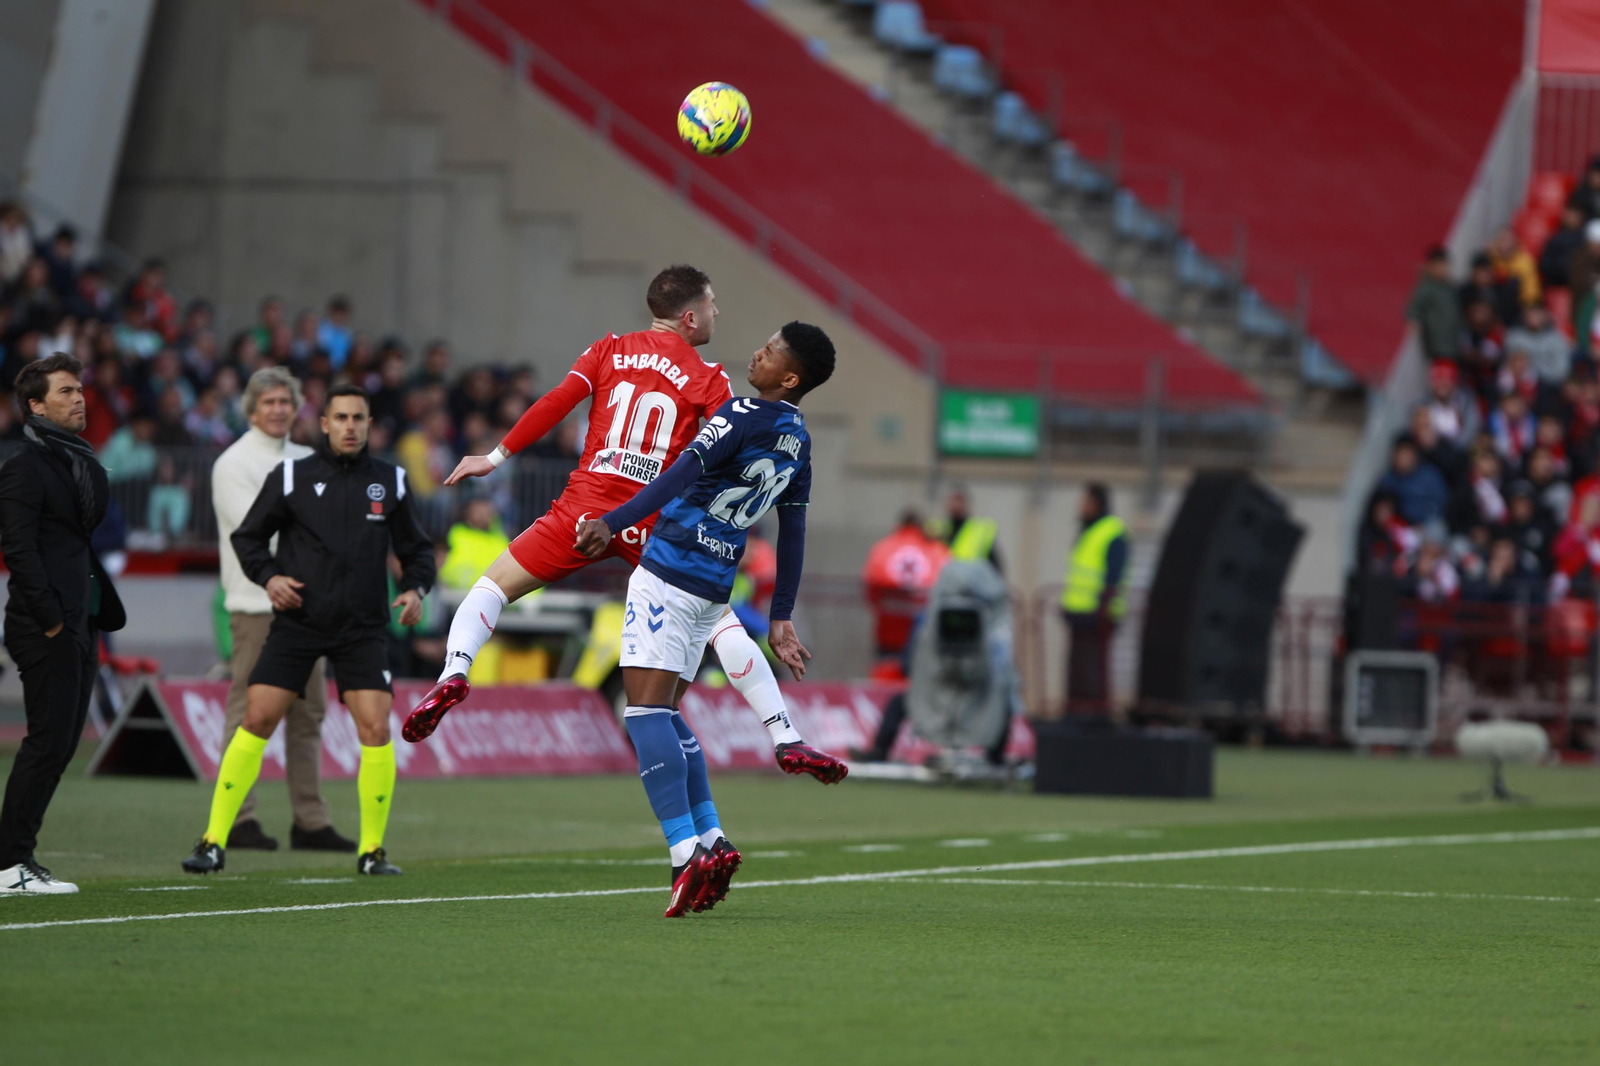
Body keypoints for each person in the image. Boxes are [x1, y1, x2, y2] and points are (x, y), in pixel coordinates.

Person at [402, 266, 846, 783]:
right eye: (712, 305)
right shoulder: (711, 378)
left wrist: (496, 456)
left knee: (492, 588)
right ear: (690, 315)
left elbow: (555, 404)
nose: (717, 314)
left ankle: (454, 671)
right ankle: (781, 734)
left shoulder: (608, 349)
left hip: (584, 512)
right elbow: (733, 449)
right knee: (718, 623)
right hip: (654, 523)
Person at [574, 320, 836, 917]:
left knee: (641, 714)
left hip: (669, 569)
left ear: (789, 377)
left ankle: (683, 853)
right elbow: (792, 531)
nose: (757, 352)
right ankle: (713, 839)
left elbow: (679, 475)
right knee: (668, 715)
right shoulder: (799, 440)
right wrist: (782, 616)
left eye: (770, 352)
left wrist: (611, 522)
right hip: (717, 585)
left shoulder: (742, 412)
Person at [181, 385, 435, 876]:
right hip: (299, 623)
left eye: (358, 418)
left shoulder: (392, 481)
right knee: (256, 719)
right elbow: (248, 537)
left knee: (377, 728)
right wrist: (270, 577)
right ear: (323, 424)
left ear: (369, 423)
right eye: (340, 417)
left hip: (362, 629)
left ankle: (372, 851)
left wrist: (416, 588)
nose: (349, 426)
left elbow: (417, 550)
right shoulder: (293, 475)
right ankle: (213, 841)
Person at [209, 367, 355, 853]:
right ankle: (237, 818)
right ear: (251, 410)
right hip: (257, 602)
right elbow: (256, 533)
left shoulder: (305, 458)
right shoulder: (233, 463)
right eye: (268, 402)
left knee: (308, 712)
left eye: (284, 401)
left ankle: (309, 821)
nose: (277, 409)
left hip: (308, 605)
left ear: (296, 409)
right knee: (248, 710)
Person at [0, 353, 125, 894]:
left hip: (81, 619)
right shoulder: (24, 465)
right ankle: (10, 865)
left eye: (79, 389)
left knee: (61, 744)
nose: (79, 398)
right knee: (47, 741)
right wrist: (50, 617)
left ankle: (16, 860)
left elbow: (83, 533)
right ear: (36, 405)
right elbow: (18, 549)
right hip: (44, 623)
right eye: (66, 391)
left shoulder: (80, 461)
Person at [1060, 483, 1128, 715]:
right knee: (1076, 670)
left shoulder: (1111, 531)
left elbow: (1114, 574)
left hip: (1098, 615)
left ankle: (1094, 715)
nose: (1081, 507)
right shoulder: (1087, 531)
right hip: (1079, 614)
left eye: (1086, 501)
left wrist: (1104, 605)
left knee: (1093, 671)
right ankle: (1076, 712)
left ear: (1097, 504)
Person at [861, 510, 949, 660]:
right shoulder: (937, 552)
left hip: (888, 635)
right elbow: (947, 590)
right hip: (925, 637)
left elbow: (870, 590)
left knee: (886, 679)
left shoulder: (882, 549)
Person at [1407, 245, 1461, 363]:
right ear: (1431, 267)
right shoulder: (1427, 287)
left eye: (1444, 265)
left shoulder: (1450, 287)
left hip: (1453, 341)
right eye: (1438, 266)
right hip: (1436, 343)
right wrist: (1415, 320)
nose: (1442, 269)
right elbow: (1414, 308)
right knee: (1441, 376)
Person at [937, 486, 1002, 570]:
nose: (955, 504)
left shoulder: (980, 530)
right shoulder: (938, 529)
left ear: (966, 502)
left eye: (958, 500)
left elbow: (994, 563)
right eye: (952, 500)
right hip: (945, 580)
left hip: (970, 580)